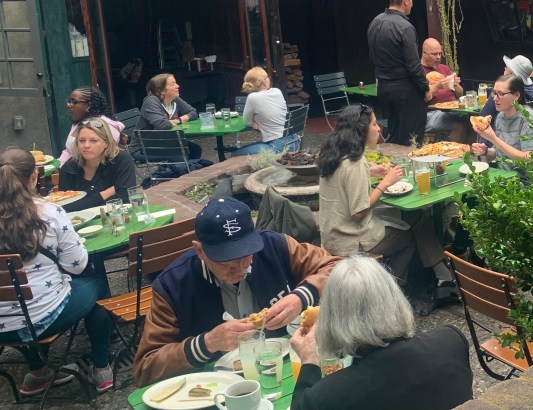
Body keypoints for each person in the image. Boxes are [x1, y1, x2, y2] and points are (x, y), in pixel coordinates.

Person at [133, 197, 339, 386]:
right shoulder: (173, 286)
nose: (239, 268)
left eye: (245, 256)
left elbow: (337, 269)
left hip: (287, 368)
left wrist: (301, 296)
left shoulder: (275, 247)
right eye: (225, 261)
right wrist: (207, 343)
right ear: (200, 250)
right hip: (217, 388)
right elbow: (145, 368)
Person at [289, 255, 473, 410]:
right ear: (395, 297)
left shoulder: (326, 397)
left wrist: (309, 361)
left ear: (333, 317)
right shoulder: (452, 341)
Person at [0, 147, 113, 395]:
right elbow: (77, 265)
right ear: (35, 176)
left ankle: (38, 373)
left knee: (22, 303)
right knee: (97, 285)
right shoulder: (49, 213)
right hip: (41, 318)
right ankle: (101, 367)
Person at [317, 104, 453, 287]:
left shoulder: (334, 155)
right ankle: (392, 288)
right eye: (374, 124)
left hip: (332, 236)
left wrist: (371, 170)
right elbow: (359, 212)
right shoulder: (355, 164)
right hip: (352, 241)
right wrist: (385, 183)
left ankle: (440, 273)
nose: (379, 128)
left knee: (413, 216)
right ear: (361, 130)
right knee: (409, 237)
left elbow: (344, 177)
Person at [367, 0, 430, 146]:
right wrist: (425, 87)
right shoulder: (405, 27)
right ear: (405, 0)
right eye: (413, 0)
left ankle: (392, 162)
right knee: (412, 139)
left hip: (383, 87)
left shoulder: (375, 22)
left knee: (393, 136)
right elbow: (413, 65)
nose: (413, 4)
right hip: (405, 89)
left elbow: (372, 56)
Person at [471, 75, 533, 183]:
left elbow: (529, 159)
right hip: (503, 178)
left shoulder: (528, 118)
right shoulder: (501, 116)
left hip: (526, 183)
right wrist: (485, 151)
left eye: (501, 94)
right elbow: (500, 153)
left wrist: (493, 138)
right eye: (494, 93)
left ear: (516, 96)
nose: (495, 98)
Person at [59, 118, 136, 213]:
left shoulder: (121, 159)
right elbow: (64, 208)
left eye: (93, 141)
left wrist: (83, 204)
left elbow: (124, 199)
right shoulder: (69, 168)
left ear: (106, 143)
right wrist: (105, 194)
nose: (86, 145)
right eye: (82, 140)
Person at [131, 73, 202, 161]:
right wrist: (170, 122)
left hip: (164, 142)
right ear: (161, 90)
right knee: (179, 154)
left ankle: (186, 168)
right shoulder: (151, 101)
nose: (178, 86)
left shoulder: (174, 99)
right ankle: (179, 169)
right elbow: (163, 125)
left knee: (195, 149)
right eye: (173, 84)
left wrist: (179, 120)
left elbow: (193, 112)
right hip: (143, 148)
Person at [232, 67, 297, 156]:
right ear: (263, 82)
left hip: (278, 146)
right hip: (294, 141)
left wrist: (255, 124)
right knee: (245, 149)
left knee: (235, 154)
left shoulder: (252, 97)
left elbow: (246, 121)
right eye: (267, 77)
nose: (269, 79)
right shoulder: (277, 91)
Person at [58, 86, 125, 165]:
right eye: (69, 101)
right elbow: (68, 151)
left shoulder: (105, 126)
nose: (69, 105)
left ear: (88, 106)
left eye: (74, 102)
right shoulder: (78, 123)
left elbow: (106, 157)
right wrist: (58, 166)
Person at [477, 54, 533, 124]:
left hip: (500, 129)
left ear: (510, 75)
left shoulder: (500, 92)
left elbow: (483, 117)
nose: (505, 68)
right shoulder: (532, 92)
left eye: (507, 67)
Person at [422, 38, 464, 140]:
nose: (438, 57)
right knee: (461, 124)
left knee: (474, 122)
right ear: (424, 53)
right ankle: (452, 149)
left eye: (440, 54)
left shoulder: (444, 68)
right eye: (434, 54)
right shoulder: (418, 71)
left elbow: (460, 94)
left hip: (453, 109)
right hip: (432, 113)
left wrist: (455, 84)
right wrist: (437, 86)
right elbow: (419, 99)